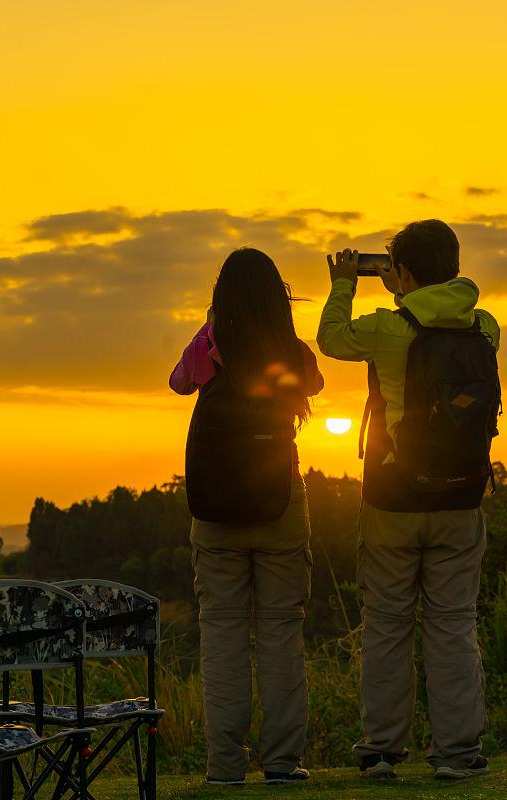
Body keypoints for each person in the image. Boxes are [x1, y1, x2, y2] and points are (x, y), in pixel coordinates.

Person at [317, 220, 499, 781]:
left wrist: (346, 280)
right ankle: (458, 753)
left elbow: (331, 338)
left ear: (403, 271)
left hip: (394, 496)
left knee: (388, 624)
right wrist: (407, 285)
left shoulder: (387, 329)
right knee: (452, 624)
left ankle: (380, 750)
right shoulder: (485, 326)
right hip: (462, 497)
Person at [170, 247, 324, 786]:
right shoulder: (289, 349)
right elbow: (315, 386)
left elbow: (178, 382)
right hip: (280, 500)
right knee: (282, 633)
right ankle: (282, 763)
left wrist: (210, 329)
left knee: (222, 636)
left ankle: (225, 768)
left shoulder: (211, 347)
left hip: (215, 512)